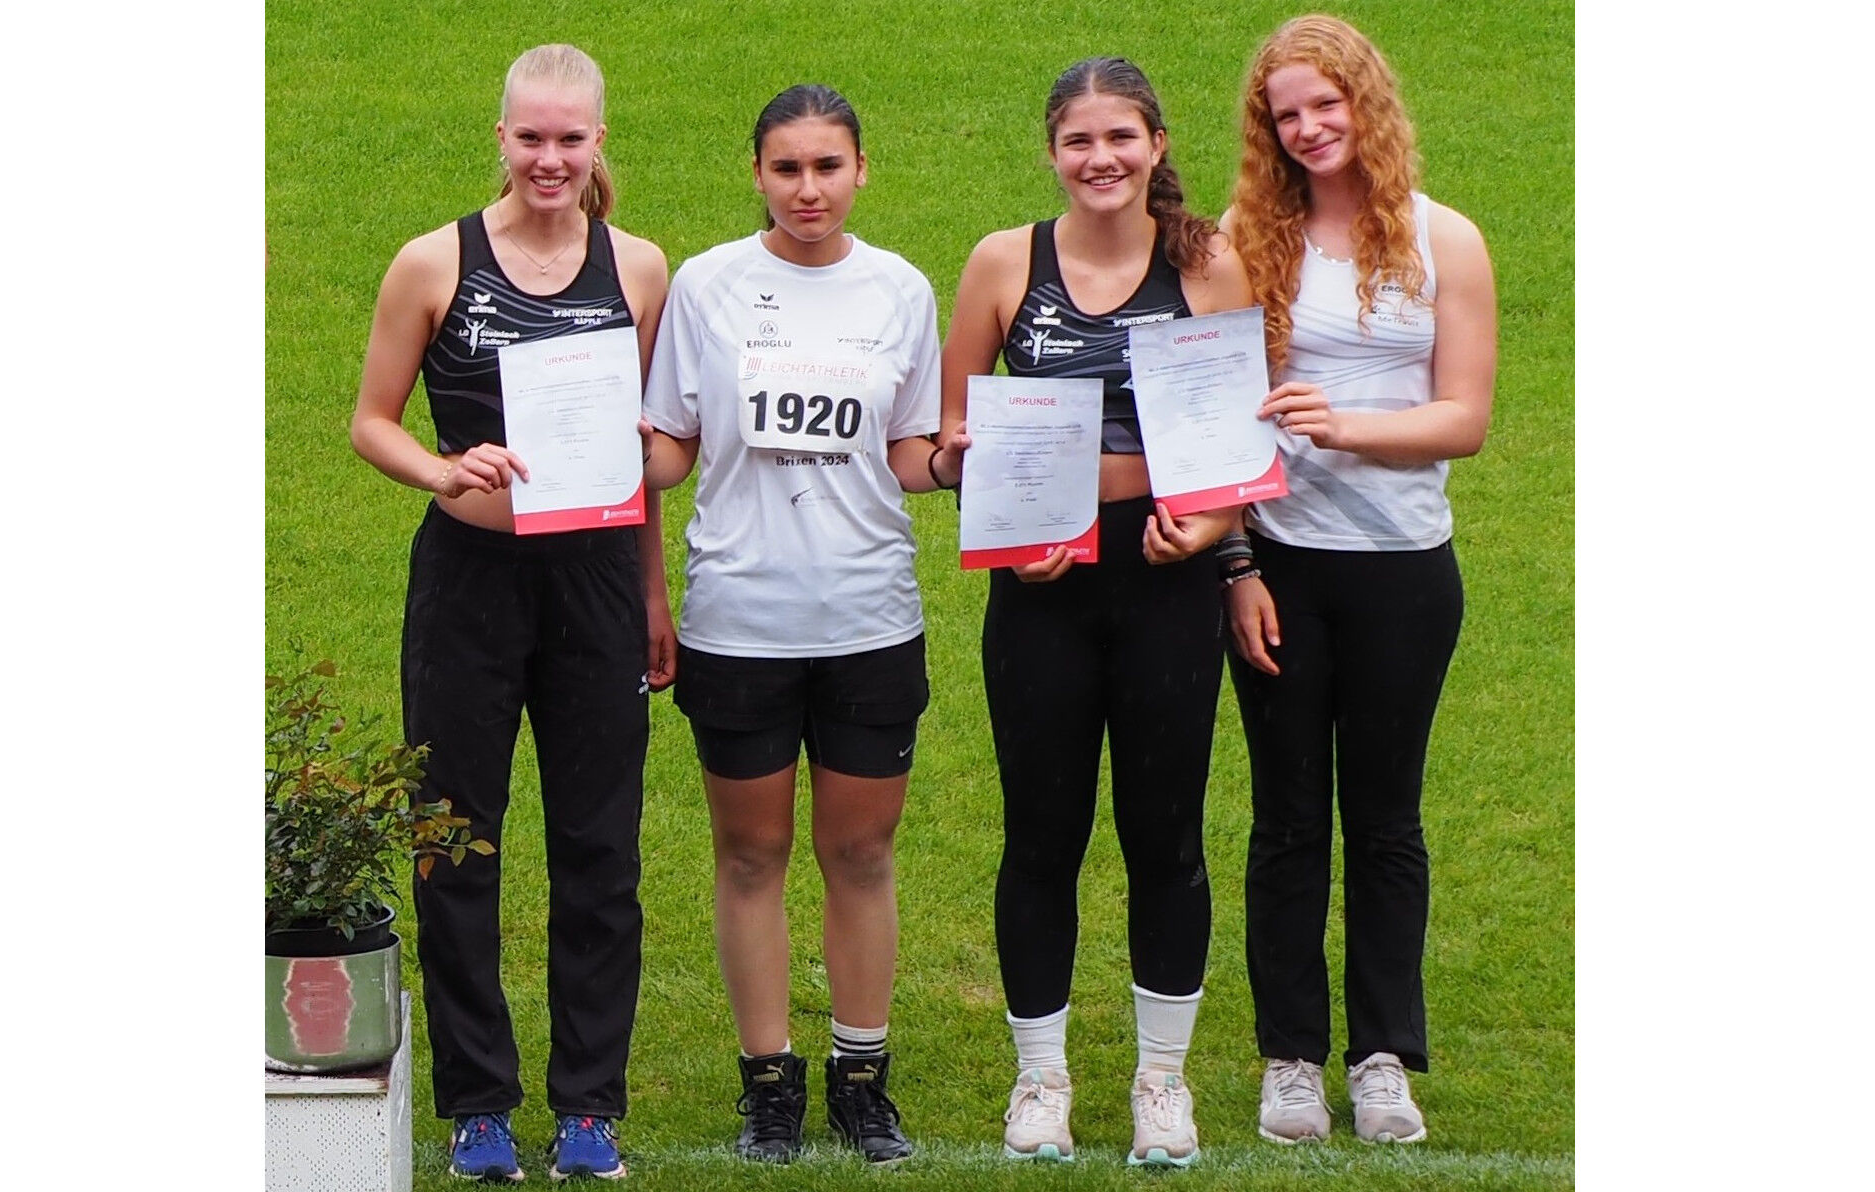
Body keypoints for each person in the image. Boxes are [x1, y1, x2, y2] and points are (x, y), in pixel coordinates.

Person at [348, 44, 675, 1183]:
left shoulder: (640, 268)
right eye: (530, 137)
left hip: (595, 582)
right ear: (501, 137)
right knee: (455, 840)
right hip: (469, 582)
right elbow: (372, 420)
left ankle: (589, 1107)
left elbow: (646, 456)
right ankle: (477, 1104)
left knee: (600, 846)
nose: (549, 158)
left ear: (598, 141)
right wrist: (441, 472)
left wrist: (651, 594)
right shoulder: (433, 261)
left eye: (569, 139)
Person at [934, 56, 1251, 1168]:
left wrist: (1208, 533)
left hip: (1165, 579)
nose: (1100, 158)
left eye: (1121, 137)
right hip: (1041, 587)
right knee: (1040, 835)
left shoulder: (1206, 264)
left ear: (1156, 145)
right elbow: (947, 442)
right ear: (1052, 152)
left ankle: (1161, 1082)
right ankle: (1042, 1081)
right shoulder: (1002, 262)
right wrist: (984, 497)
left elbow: (1237, 446)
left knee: (1165, 836)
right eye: (1079, 140)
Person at [640, 83, 951, 1167]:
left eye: (827, 166)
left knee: (859, 852)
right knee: (749, 854)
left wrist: (977, 462)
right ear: (757, 174)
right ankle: (767, 1083)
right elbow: (668, 446)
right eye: (786, 168)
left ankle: (862, 1079)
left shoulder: (901, 290)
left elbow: (910, 453)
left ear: (861, 170)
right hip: (739, 618)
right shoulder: (707, 285)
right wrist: (572, 436)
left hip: (868, 615)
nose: (807, 188)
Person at [1216, 13, 1497, 1148]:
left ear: (1362, 103)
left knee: (1385, 820)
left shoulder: (1444, 239)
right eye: (1284, 114)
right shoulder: (1244, 240)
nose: (1307, 128)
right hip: (1278, 566)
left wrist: (1345, 426)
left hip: (1403, 571)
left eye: (1324, 105)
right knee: (1286, 818)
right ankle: (1290, 1057)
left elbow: (1463, 418)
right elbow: (1207, 416)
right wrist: (1236, 563)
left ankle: (1382, 1057)